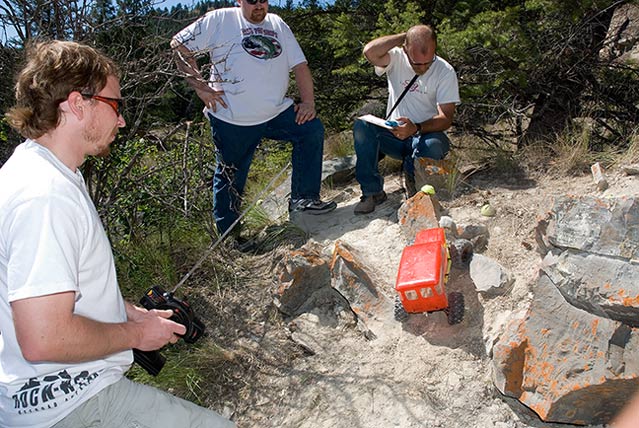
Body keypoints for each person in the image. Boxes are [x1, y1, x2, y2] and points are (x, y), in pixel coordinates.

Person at [0, 40, 234, 428]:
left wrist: (131, 313)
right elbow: (43, 337)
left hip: (51, 399)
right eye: (114, 105)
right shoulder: (45, 196)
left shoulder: (41, 173)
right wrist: (135, 334)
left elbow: (53, 292)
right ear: (78, 104)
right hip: (70, 406)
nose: (121, 120)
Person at [170, 0, 336, 236]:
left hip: (276, 111)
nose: (258, 5)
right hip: (233, 117)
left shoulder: (277, 23)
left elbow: (299, 65)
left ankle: (304, 200)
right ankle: (231, 236)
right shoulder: (220, 19)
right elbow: (179, 44)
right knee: (231, 175)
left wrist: (308, 102)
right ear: (239, 1)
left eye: (263, 0)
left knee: (310, 130)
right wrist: (201, 87)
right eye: (251, 0)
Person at [353, 24, 460, 214]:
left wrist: (416, 128)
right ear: (405, 49)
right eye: (417, 63)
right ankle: (371, 192)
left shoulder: (445, 71)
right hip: (393, 135)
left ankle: (416, 188)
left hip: (424, 136)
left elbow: (446, 118)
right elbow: (369, 52)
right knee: (362, 125)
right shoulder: (395, 57)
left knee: (434, 144)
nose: (424, 68)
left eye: (429, 62)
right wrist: (407, 35)